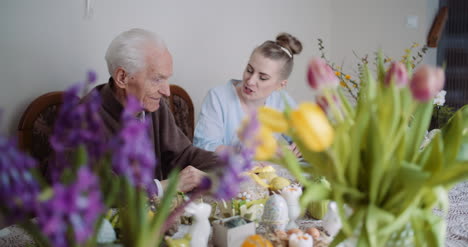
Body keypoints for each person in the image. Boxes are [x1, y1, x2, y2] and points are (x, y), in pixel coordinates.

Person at [85, 28, 220, 194]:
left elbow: (183, 154)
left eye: (167, 78)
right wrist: (164, 187)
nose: (167, 92)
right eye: (157, 79)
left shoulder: (154, 105)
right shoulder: (83, 118)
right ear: (122, 78)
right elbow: (100, 189)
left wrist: (232, 165)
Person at [193, 33, 302, 154]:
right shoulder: (217, 98)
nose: (250, 81)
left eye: (263, 78)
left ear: (280, 85)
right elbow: (203, 147)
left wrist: (301, 146)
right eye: (249, 70)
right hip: (224, 172)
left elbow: (304, 137)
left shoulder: (282, 102)